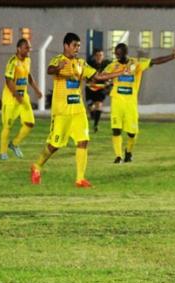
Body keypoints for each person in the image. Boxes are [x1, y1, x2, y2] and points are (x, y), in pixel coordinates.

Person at [30, 32, 124, 187]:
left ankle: (80, 179)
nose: (77, 48)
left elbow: (98, 76)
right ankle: (37, 166)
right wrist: (57, 68)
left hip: (78, 110)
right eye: (74, 45)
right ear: (66, 45)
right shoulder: (59, 60)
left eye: (79, 46)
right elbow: (50, 70)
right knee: (55, 145)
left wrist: (120, 72)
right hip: (62, 112)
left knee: (83, 141)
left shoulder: (81, 63)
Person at [104, 43, 175, 163]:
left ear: (125, 53)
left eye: (119, 54)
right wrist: (105, 86)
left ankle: (129, 152)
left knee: (132, 133)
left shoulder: (136, 64)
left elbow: (155, 61)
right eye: (116, 53)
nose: (117, 56)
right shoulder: (112, 66)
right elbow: (103, 77)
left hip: (130, 104)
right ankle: (118, 156)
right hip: (117, 102)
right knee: (116, 129)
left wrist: (173, 56)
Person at [0, 38, 42, 160]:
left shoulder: (28, 60)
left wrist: (36, 89)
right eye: (27, 47)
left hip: (23, 97)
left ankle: (14, 144)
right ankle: (3, 153)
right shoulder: (13, 62)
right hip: (11, 99)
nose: (29, 50)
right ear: (19, 49)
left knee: (30, 123)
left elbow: (28, 75)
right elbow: (8, 80)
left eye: (30, 47)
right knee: (8, 126)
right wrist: (16, 95)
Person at [85, 48, 111, 133]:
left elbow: (112, 73)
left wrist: (109, 82)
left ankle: (96, 125)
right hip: (90, 88)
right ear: (94, 56)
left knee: (99, 105)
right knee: (90, 107)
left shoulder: (107, 64)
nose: (99, 57)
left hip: (101, 88)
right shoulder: (89, 64)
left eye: (101, 55)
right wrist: (89, 80)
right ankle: (92, 114)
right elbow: (85, 75)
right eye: (97, 55)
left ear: (103, 56)